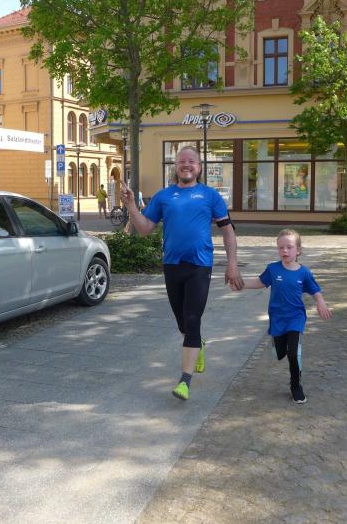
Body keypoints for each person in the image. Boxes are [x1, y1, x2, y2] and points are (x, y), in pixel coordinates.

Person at [121, 146, 243, 401]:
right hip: (172, 266)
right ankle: (198, 343)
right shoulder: (163, 197)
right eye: (181, 161)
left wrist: (232, 264)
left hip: (200, 266)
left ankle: (185, 381)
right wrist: (131, 205)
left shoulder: (210, 196)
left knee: (193, 319)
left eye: (191, 161)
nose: (186, 165)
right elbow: (144, 229)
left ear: (199, 167)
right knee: (183, 324)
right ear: (175, 166)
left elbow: (228, 231)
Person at [234, 229, 331, 404]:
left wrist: (321, 302)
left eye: (289, 247)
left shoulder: (304, 273)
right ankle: (278, 344)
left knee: (293, 352)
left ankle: (296, 386)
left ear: (298, 250)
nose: (284, 251)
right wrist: (242, 285)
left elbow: (315, 290)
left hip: (295, 317)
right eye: (281, 247)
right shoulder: (273, 269)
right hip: (277, 318)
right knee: (280, 354)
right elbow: (260, 282)